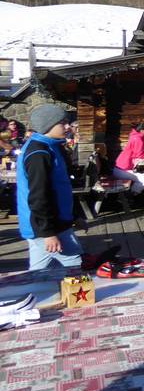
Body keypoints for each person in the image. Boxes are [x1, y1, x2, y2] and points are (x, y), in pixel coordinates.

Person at [17, 104, 84, 270]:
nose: (68, 126)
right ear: (47, 126)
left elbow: (61, 187)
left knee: (40, 270)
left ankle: (35, 286)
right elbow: (38, 196)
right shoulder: (38, 154)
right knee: (76, 267)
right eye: (62, 123)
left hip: (54, 221)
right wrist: (47, 233)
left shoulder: (51, 147)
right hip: (45, 225)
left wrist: (74, 215)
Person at [113, 121, 144, 195]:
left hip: (120, 169)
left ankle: (131, 195)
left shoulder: (136, 137)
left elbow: (138, 154)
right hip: (122, 170)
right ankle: (131, 195)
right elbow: (139, 155)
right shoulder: (138, 139)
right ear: (142, 131)